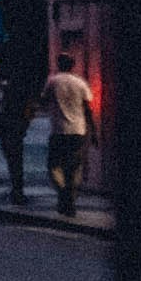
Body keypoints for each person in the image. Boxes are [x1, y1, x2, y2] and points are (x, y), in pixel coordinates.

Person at [41, 52, 97, 218]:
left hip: (59, 131)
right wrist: (93, 131)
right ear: (72, 65)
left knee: (54, 166)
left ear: (59, 64)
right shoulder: (80, 83)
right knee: (74, 168)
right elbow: (88, 109)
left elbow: (44, 101)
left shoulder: (53, 81)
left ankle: (64, 194)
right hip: (78, 131)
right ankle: (70, 201)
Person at [0, 64, 37, 205]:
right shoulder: (24, 90)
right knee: (18, 158)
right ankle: (18, 189)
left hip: (6, 127)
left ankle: (15, 189)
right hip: (19, 127)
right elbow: (30, 108)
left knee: (11, 158)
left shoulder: (0, 89)